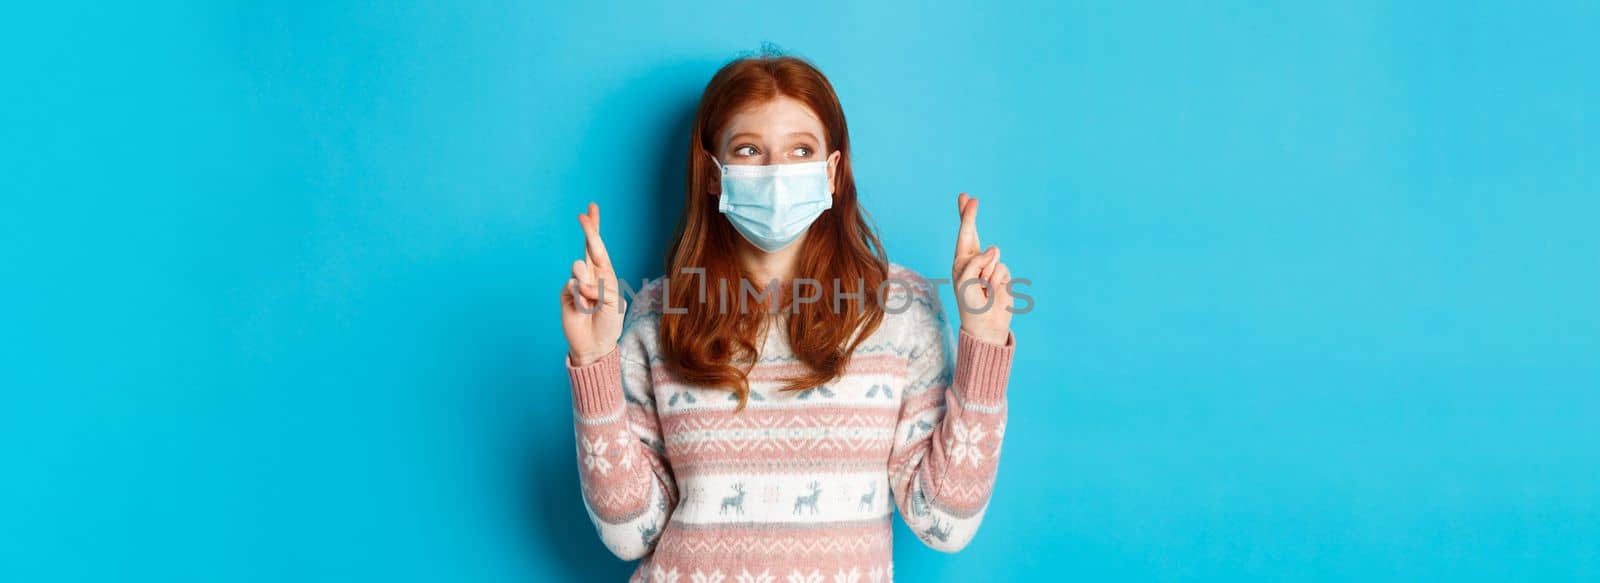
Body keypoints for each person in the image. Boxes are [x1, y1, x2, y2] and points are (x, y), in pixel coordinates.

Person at [558, 52, 1018, 582]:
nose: (777, 173)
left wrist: (984, 341)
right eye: (750, 150)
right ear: (713, 173)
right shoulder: (660, 314)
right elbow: (628, 533)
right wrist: (594, 359)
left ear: (832, 171)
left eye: (801, 149)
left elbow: (944, 522)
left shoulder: (903, 310)